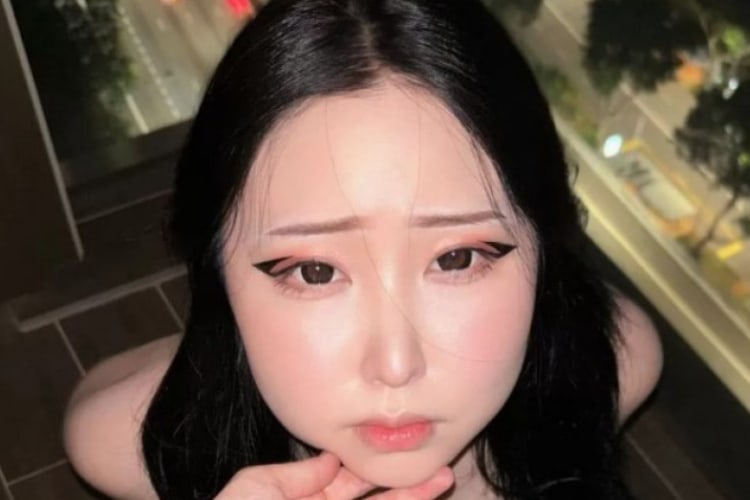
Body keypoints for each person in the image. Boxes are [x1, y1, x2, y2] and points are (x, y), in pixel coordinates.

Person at [63, 0, 662, 498]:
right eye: (315, 271)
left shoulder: (609, 365)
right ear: (215, 264)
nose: (395, 365)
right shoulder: (136, 445)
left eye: (456, 258)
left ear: (544, 243)